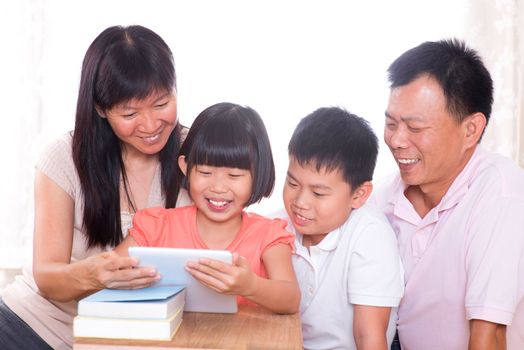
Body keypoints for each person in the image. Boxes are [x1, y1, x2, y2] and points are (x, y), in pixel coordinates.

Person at [0, 25, 190, 350]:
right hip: (34, 328)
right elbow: (46, 278)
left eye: (161, 105)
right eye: (130, 112)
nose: (149, 125)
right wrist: (94, 275)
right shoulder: (63, 158)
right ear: (102, 109)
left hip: (133, 340)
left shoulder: (197, 154)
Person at [373, 38, 524, 349]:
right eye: (391, 123)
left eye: (415, 128)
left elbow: (490, 336)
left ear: (471, 130)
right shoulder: (384, 197)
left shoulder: (501, 193)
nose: (397, 140)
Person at [115, 102, 300, 314]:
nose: (218, 187)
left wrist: (251, 286)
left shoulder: (268, 235)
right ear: (186, 167)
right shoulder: (156, 226)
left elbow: (291, 299)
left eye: (234, 176)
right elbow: (106, 273)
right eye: (205, 172)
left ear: (259, 174)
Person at [274, 107, 404, 349]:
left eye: (318, 193)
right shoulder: (277, 226)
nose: (300, 202)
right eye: (292, 183)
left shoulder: (369, 234)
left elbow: (369, 336)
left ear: (359, 195)